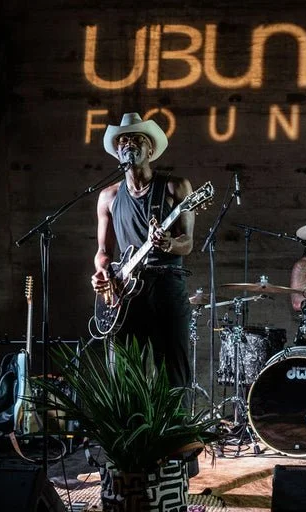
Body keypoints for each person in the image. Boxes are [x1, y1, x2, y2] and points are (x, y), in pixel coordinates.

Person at [90, 112, 194, 391]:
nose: (129, 144)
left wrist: (169, 244)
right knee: (122, 372)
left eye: (137, 139)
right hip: (124, 291)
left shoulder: (175, 187)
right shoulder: (108, 197)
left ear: (150, 149)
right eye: (123, 140)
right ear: (117, 151)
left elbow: (188, 242)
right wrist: (102, 272)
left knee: (173, 370)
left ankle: (177, 433)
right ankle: (127, 433)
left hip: (166, 283)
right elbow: (103, 251)